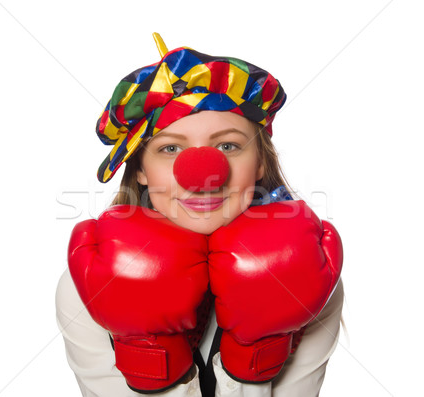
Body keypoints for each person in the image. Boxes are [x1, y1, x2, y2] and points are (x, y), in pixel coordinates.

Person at [56, 33, 345, 397]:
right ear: (142, 171)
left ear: (259, 163)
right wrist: (152, 360)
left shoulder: (308, 271)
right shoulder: (90, 280)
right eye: (170, 147)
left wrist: (254, 359)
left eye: (228, 145)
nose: (203, 173)